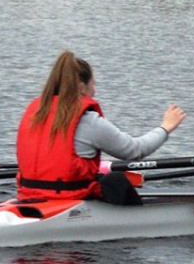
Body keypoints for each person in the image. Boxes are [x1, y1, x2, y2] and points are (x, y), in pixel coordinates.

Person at [17, 50, 185, 203]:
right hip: (68, 197)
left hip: (29, 195)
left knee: (102, 178)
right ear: (83, 87)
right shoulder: (88, 120)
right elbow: (134, 151)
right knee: (116, 180)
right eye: (93, 84)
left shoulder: (34, 113)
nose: (94, 91)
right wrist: (166, 127)